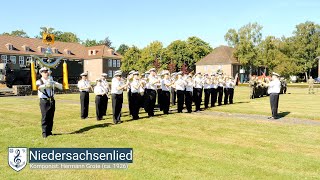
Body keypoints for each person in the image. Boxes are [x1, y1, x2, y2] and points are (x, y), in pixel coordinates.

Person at [36, 67, 62, 138]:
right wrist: (46, 85)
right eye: (44, 72)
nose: (46, 73)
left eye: (47, 71)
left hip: (51, 100)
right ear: (41, 73)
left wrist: (54, 83)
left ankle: (49, 131)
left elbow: (61, 86)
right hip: (44, 101)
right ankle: (44, 133)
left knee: (51, 116)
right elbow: (38, 87)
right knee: (45, 117)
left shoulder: (51, 80)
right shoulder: (39, 81)